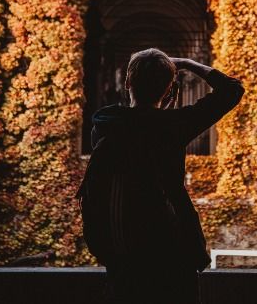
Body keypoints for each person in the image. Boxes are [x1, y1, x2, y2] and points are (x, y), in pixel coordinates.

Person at [84, 49, 244, 304]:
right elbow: (232, 90)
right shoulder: (173, 126)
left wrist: (159, 112)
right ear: (169, 89)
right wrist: (188, 64)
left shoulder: (105, 124)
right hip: (170, 248)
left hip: (124, 252)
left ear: (127, 83)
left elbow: (137, 132)